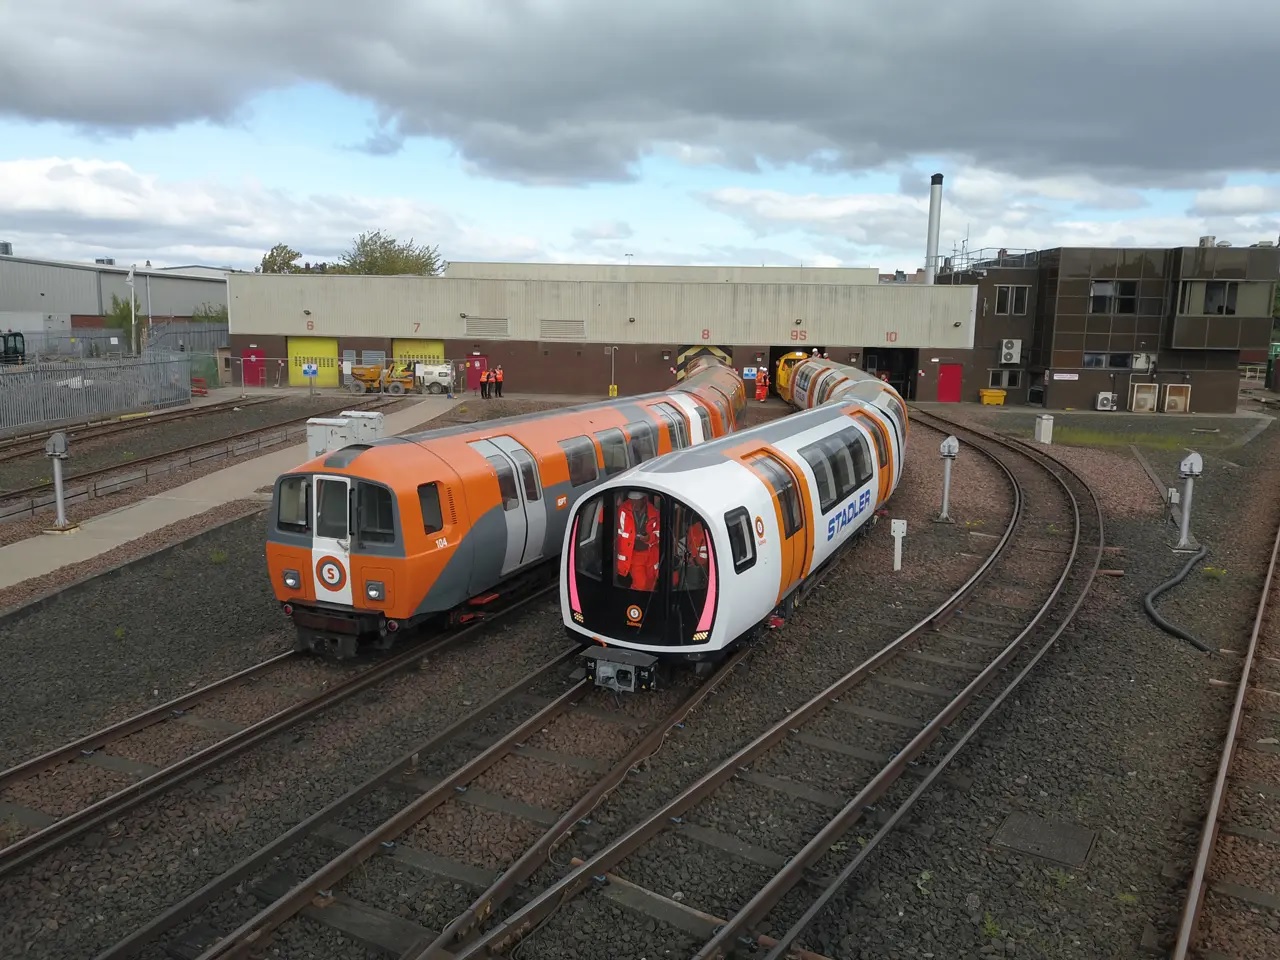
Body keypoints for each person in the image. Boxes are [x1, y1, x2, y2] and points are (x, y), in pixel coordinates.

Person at [615, 491, 661, 591]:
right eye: (631, 501)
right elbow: (618, 532)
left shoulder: (655, 513)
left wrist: (649, 538)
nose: (633, 504)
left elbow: (658, 534)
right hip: (634, 555)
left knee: (651, 583)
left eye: (637, 501)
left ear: (644, 500)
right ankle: (633, 604)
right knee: (640, 585)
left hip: (651, 555)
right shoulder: (623, 511)